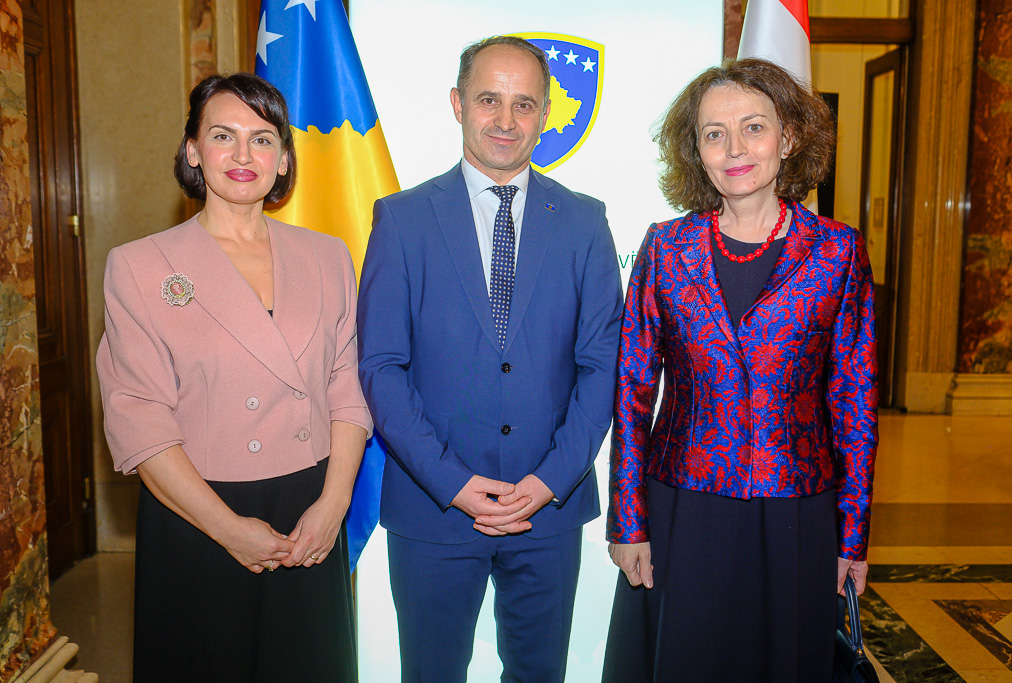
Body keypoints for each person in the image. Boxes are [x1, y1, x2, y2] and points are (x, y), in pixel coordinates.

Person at [357, 35, 623, 683]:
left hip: (548, 511)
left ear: (545, 114)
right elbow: (381, 368)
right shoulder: (401, 220)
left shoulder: (586, 222)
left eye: (524, 104)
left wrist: (549, 480)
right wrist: (453, 483)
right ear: (457, 103)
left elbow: (603, 368)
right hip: (433, 508)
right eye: (488, 100)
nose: (506, 120)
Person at [603, 58, 878, 682]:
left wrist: (852, 536)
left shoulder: (838, 253)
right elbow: (632, 392)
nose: (734, 149)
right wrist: (629, 520)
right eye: (714, 134)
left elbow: (855, 405)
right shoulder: (664, 247)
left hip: (794, 514)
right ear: (695, 151)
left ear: (789, 138)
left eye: (754, 127)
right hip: (683, 509)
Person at [95, 73, 371, 681]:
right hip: (198, 515)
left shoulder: (328, 256)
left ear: (283, 160)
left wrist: (335, 503)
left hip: (310, 513)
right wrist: (228, 530)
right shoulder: (140, 266)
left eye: (263, 139)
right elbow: (141, 422)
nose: (244, 154)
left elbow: (347, 390)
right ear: (193, 151)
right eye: (223, 136)